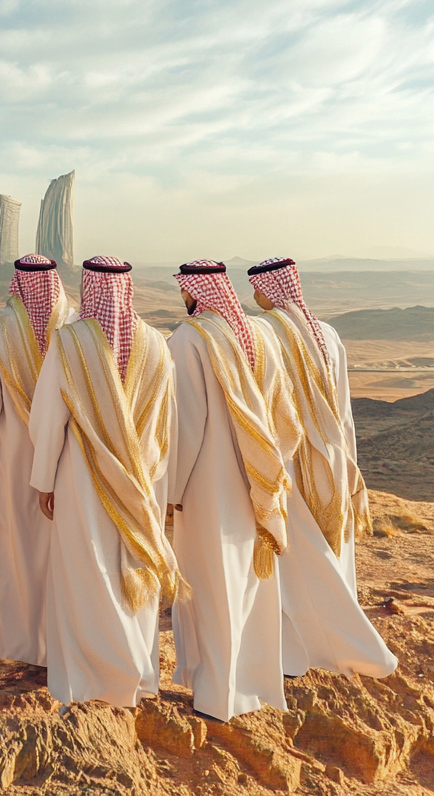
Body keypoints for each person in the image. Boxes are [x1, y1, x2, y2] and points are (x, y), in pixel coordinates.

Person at [29, 256, 182, 707]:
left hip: (83, 475)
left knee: (86, 570)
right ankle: (136, 673)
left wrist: (44, 480)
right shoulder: (157, 343)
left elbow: (48, 419)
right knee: (135, 568)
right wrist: (162, 484)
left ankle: (88, 678)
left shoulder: (70, 342)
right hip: (143, 478)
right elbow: (169, 421)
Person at [248, 257, 397, 680]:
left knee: (296, 561)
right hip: (332, 455)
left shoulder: (266, 332)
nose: (253, 296)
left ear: (268, 289)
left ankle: (307, 651)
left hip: (292, 458)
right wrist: (348, 459)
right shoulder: (328, 333)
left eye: (256, 288)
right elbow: (345, 407)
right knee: (330, 551)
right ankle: (323, 645)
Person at [167, 259, 300, 722]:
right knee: (249, 584)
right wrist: (268, 469)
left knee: (212, 586)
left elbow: (185, 424)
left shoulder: (190, 340)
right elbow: (285, 417)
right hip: (258, 480)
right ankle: (252, 686)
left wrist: (172, 488)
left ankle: (216, 695)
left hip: (210, 486)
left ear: (192, 292)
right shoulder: (260, 336)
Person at [0, 253, 74, 666]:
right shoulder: (75, 327)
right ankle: (57, 643)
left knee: (14, 549)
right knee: (58, 551)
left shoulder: (0, 330)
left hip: (13, 462)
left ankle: (17, 644)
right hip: (66, 461)